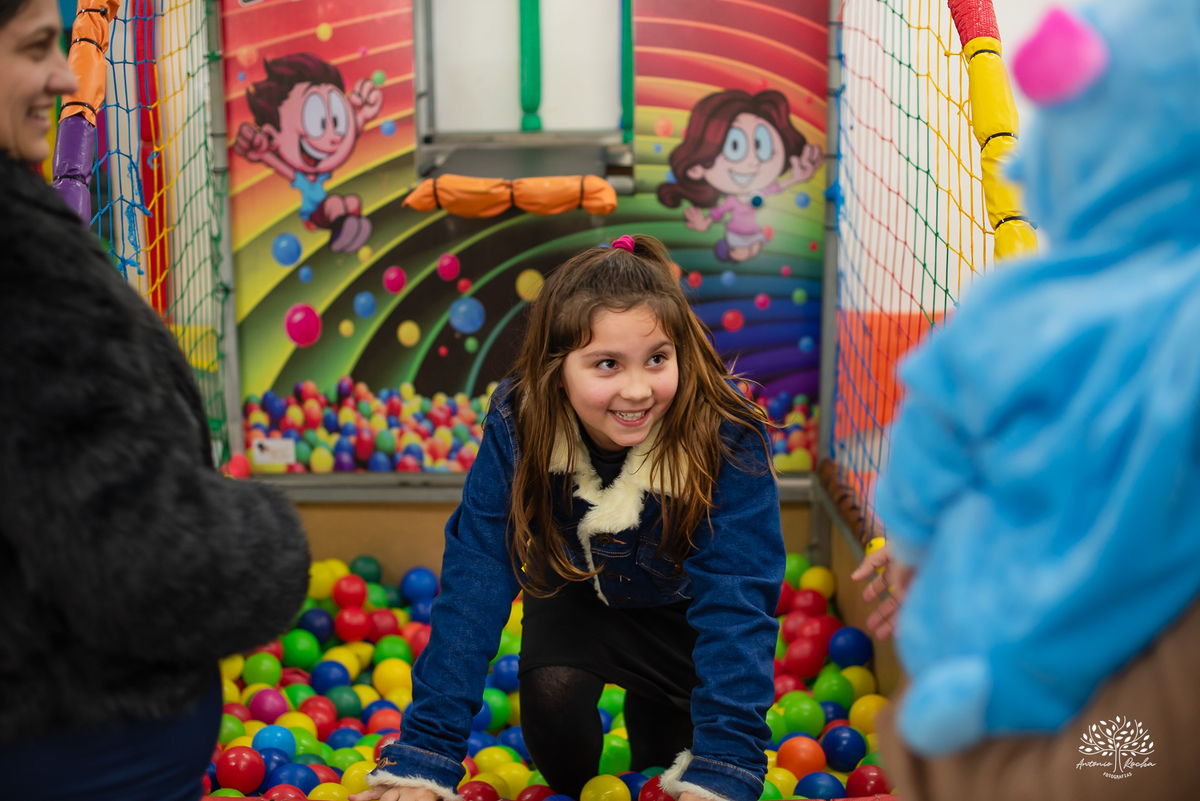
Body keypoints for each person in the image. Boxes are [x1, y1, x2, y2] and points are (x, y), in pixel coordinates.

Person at [849, 0, 1200, 796]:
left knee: (1064, 735)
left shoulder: (1030, 306)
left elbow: (935, 431)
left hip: (1060, 671)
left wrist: (914, 537)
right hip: (1103, 623)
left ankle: (965, 702)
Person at [0, 0, 311, 798]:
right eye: (37, 48)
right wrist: (269, 545)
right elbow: (136, 552)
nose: (65, 77)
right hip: (77, 747)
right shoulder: (21, 268)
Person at [353, 235, 786, 801]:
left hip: (684, 611)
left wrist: (727, 763)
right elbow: (477, 576)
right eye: (607, 364)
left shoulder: (727, 431)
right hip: (575, 591)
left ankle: (668, 723)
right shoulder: (521, 422)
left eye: (657, 358)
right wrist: (427, 754)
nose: (637, 389)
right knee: (556, 730)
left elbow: (737, 594)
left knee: (665, 756)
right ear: (557, 370)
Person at [656, 90, 822, 263]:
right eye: (735, 146)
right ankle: (734, 250)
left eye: (762, 144)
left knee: (753, 249)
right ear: (696, 168)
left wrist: (796, 178)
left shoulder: (757, 194)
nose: (753, 161)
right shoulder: (731, 202)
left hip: (754, 233)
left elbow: (777, 187)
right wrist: (704, 222)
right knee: (743, 251)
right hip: (736, 234)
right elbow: (717, 213)